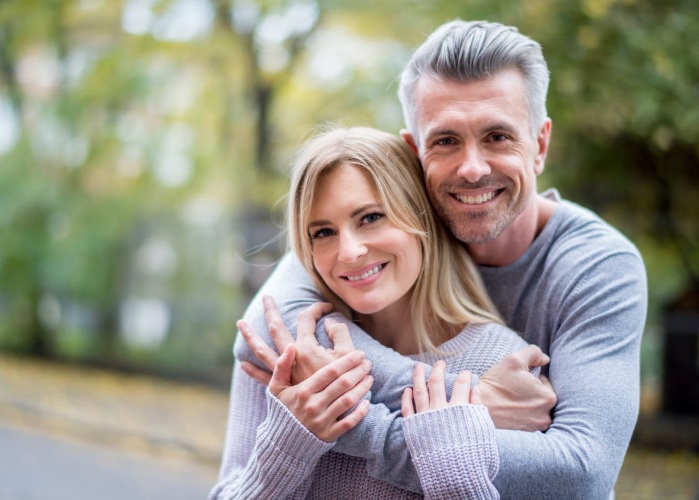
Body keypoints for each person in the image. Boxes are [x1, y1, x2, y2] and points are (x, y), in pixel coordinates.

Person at [231, 19, 648, 500]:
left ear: (539, 144)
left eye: (497, 136)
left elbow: (580, 476)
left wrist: (364, 426)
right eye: (446, 140)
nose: (472, 168)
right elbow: (266, 334)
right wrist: (471, 402)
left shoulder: (597, 267)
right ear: (415, 153)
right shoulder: (386, 222)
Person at [210, 126, 539, 499]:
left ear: (420, 217)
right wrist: (288, 442)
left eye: (370, 218)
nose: (349, 252)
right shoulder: (292, 357)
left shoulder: (509, 373)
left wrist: (453, 481)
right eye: (322, 232)